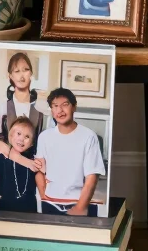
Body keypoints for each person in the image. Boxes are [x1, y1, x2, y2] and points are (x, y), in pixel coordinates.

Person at [35, 88, 106, 216]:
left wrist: (80, 207)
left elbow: (92, 176)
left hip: (78, 202)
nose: (60, 110)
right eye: (55, 106)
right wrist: (44, 197)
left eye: (65, 105)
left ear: (74, 107)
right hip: (50, 202)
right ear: (51, 110)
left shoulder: (89, 136)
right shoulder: (44, 137)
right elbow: (39, 171)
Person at [0, 51, 45, 175]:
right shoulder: (1, 108)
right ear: (10, 76)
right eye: (17, 71)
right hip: (6, 168)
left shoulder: (40, 111)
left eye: (26, 70)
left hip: (32, 172)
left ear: (31, 73)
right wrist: (25, 161)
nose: (22, 75)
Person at [0, 117, 38, 213]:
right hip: (3, 209)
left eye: (27, 137)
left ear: (31, 144)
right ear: (10, 136)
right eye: (18, 134)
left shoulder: (32, 162)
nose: (21, 139)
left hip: (28, 211)